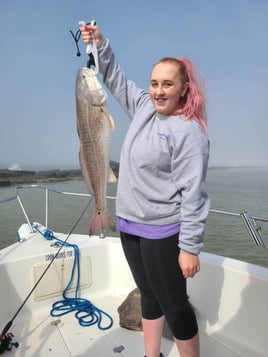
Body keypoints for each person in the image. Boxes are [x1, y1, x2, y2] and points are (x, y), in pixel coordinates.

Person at [81, 23, 210, 357]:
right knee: (147, 295)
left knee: (175, 305)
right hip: (128, 223)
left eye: (168, 84)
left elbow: (194, 195)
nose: (159, 91)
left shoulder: (189, 133)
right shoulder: (143, 108)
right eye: (155, 83)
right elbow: (115, 77)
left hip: (162, 231)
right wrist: (99, 43)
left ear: (184, 88)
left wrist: (190, 247)